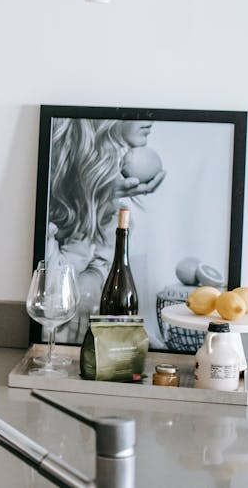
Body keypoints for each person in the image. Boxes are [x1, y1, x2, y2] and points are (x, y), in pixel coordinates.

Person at [46, 118, 165, 344]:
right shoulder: (53, 183)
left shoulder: (113, 203)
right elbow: (55, 299)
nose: (150, 118)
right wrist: (93, 199)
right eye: (138, 110)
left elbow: (96, 289)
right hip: (57, 347)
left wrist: (102, 200)